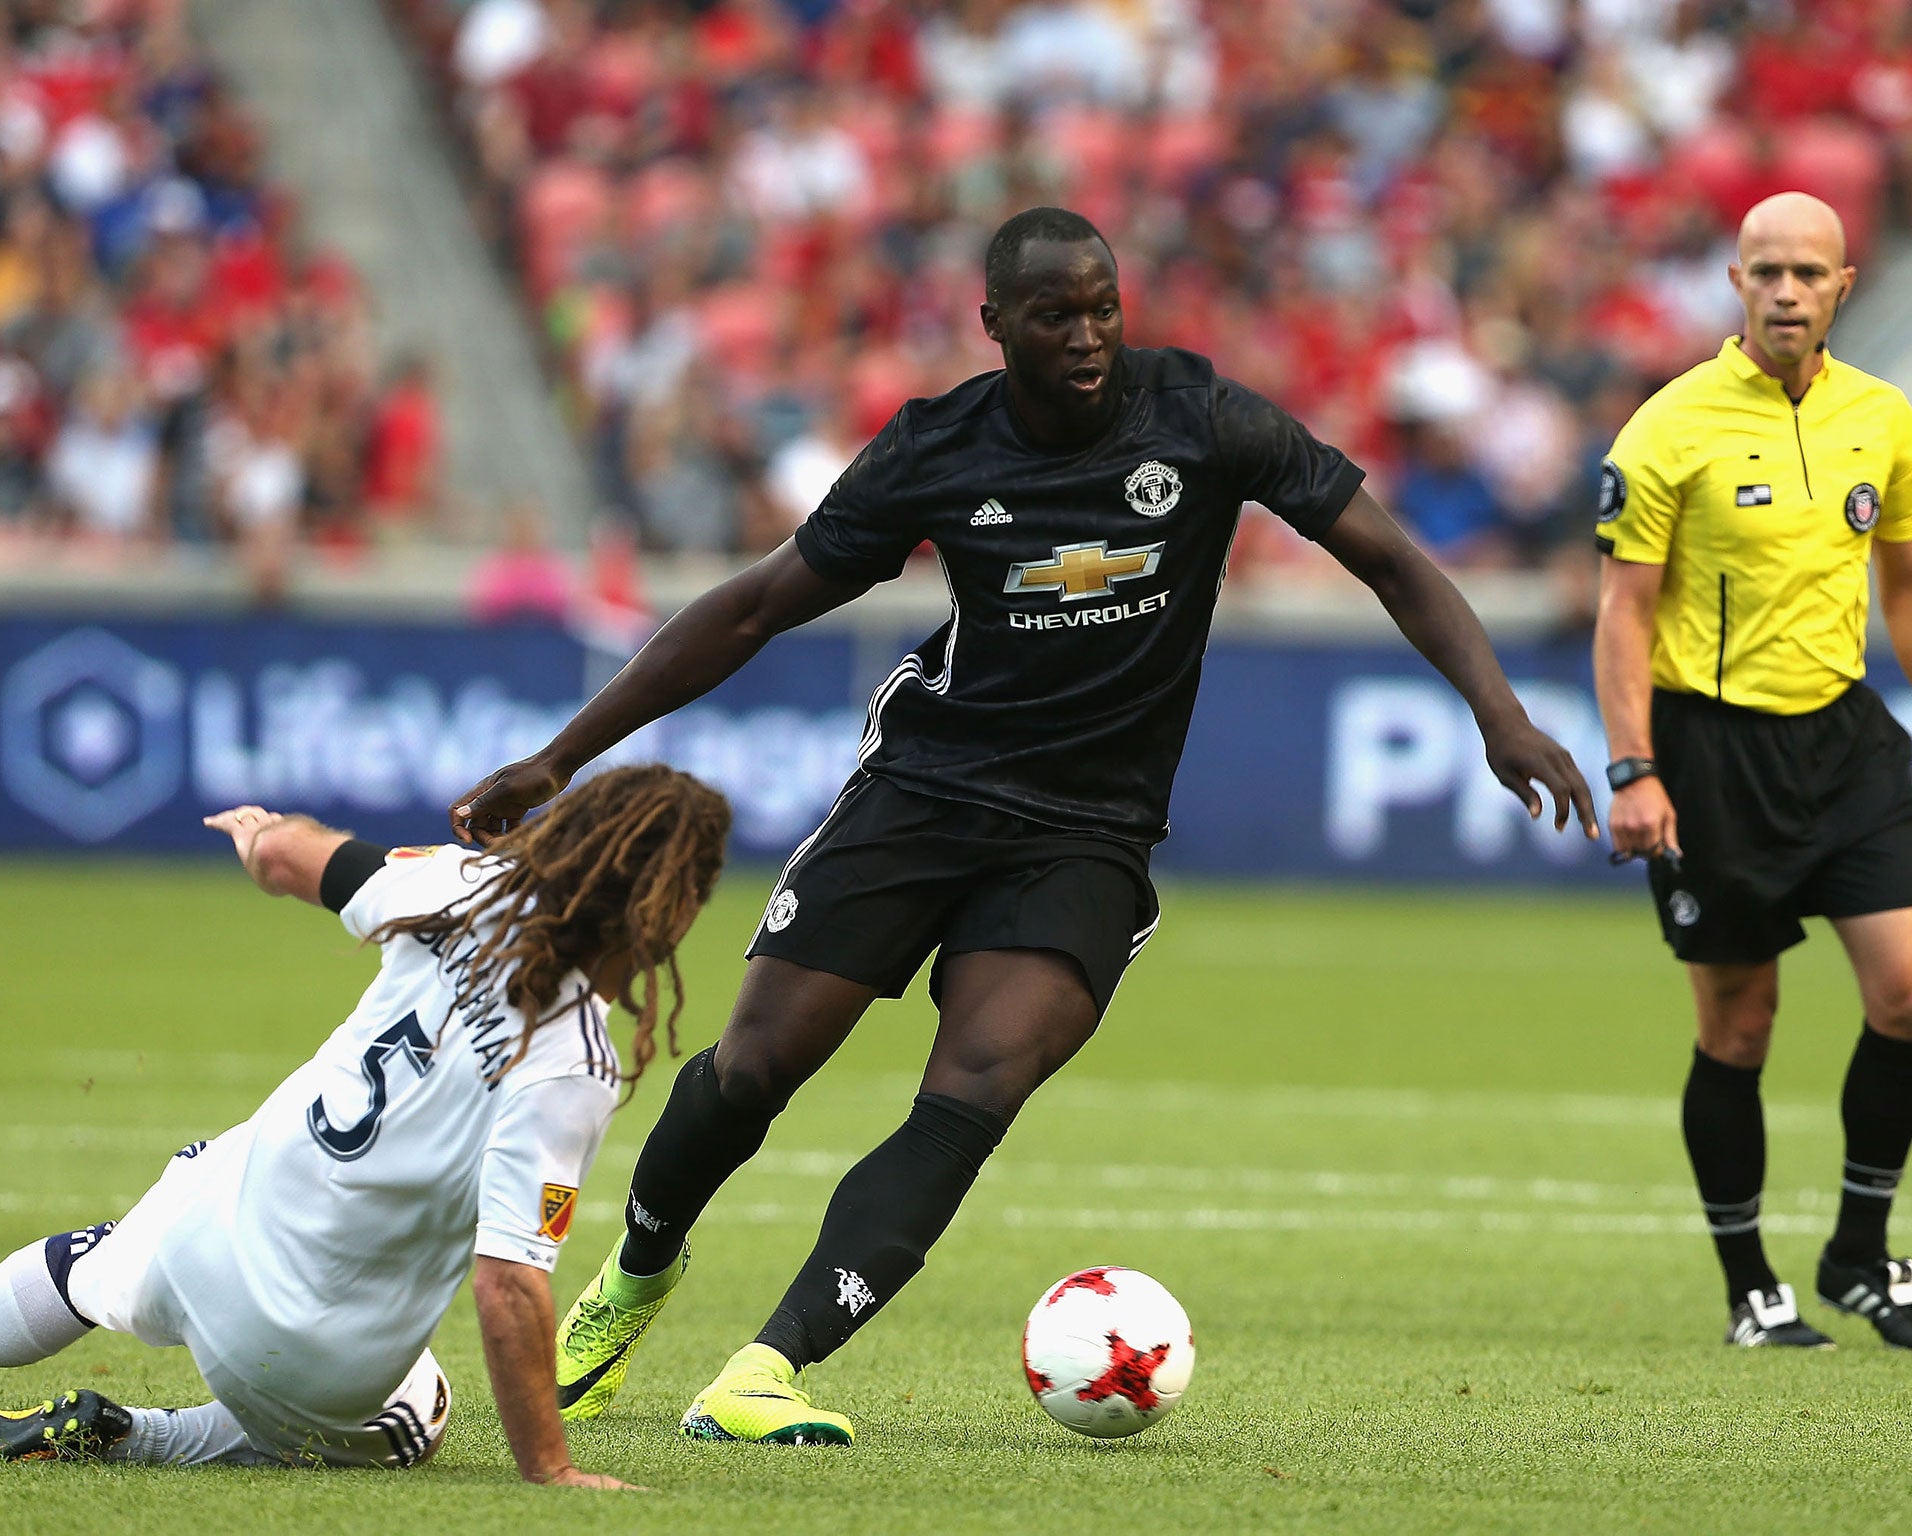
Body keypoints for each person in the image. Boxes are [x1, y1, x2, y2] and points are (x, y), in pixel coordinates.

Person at [451, 206, 1598, 1445]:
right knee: (754, 1069)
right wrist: (562, 756)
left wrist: (1499, 712)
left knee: (977, 1087)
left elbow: (1389, 558)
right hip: (924, 793)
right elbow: (754, 606)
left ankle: (766, 1367)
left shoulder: (1206, 421)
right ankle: (638, 1274)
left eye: (1103, 306)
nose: (1089, 334)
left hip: (1088, 834)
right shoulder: (935, 449)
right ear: (995, 326)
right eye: (1056, 314)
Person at [0, 765, 729, 1485]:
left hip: (203, 1236)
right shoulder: (573, 1061)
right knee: (418, 1417)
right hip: (301, 1347)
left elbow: (284, 855)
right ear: (670, 906)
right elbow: (507, 1282)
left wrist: (259, 832)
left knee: (113, 1245)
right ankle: (135, 1433)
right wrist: (549, 1469)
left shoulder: (456, 884)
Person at [1594, 190, 1912, 1350]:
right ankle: (1749, 1289)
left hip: (1843, 733)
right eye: (1763, 271)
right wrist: (1633, 767)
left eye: (1807, 273)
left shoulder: (1882, 418)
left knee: (1905, 991)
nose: (1784, 291)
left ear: (1841, 286)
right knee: (1738, 1026)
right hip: (1710, 752)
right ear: (1735, 284)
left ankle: (1858, 1256)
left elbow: (1903, 582)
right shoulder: (1665, 429)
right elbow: (1622, 617)